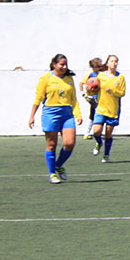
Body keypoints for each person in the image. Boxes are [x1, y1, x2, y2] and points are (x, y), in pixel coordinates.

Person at [28, 53, 83, 184]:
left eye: (66, 64)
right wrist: (32, 116)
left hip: (67, 114)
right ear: (54, 65)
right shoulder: (46, 78)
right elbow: (39, 98)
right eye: (61, 64)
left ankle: (58, 165)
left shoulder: (69, 78)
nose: (64, 67)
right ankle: (52, 173)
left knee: (69, 143)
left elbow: (73, 99)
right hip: (51, 113)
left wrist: (78, 114)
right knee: (51, 144)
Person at [91, 54, 126, 163]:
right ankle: (98, 143)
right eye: (112, 61)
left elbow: (122, 93)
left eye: (116, 61)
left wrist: (112, 91)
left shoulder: (120, 77)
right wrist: (89, 90)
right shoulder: (101, 76)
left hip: (113, 110)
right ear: (107, 63)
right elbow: (94, 87)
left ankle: (106, 155)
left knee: (108, 134)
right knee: (96, 131)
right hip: (101, 108)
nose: (114, 63)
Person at [83, 57, 104, 139]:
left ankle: (98, 132)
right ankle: (87, 133)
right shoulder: (90, 74)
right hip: (92, 97)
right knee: (93, 114)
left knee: (100, 114)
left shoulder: (101, 74)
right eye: (97, 67)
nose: (98, 68)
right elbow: (82, 84)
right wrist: (84, 94)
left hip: (100, 97)